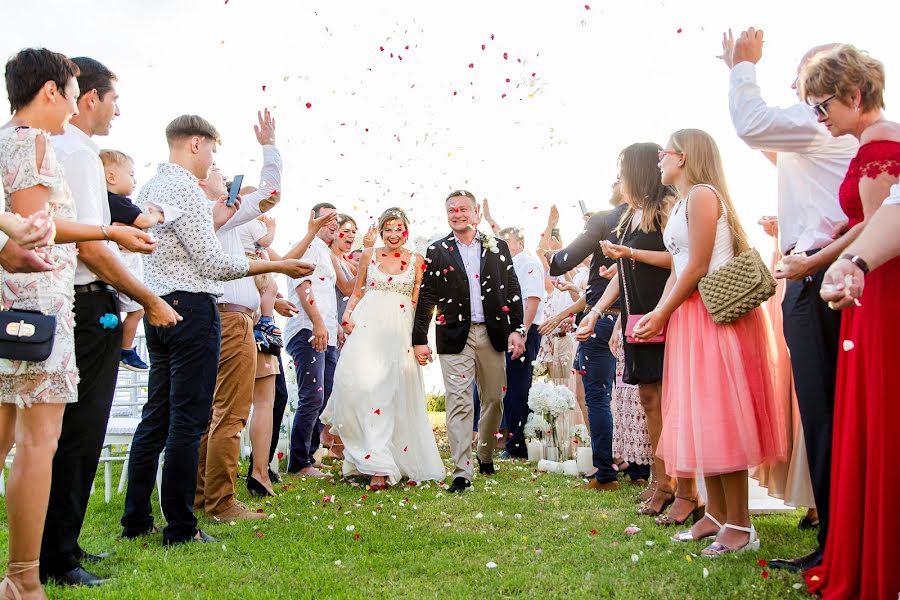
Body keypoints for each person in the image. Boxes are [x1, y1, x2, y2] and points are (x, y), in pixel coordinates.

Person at [0, 48, 159, 600]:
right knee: (38, 442)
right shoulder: (33, 140)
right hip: (38, 309)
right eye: (71, 91)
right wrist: (111, 234)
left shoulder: (8, 138)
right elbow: (33, 227)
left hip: (21, 308)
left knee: (9, 442)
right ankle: (23, 578)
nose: (75, 103)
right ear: (51, 90)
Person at [119, 113, 311, 546]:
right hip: (193, 309)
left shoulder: (150, 187)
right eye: (212, 152)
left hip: (159, 308)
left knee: (157, 417)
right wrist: (277, 264)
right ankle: (182, 527)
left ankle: (135, 520)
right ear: (195, 145)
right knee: (189, 421)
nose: (212, 161)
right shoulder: (186, 188)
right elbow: (213, 264)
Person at [720, 27, 859, 572]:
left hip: (818, 273)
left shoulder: (817, 120)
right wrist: (733, 72)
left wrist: (743, 68)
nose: (797, 89)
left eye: (803, 79)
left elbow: (751, 124)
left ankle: (838, 542)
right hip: (822, 271)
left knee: (824, 414)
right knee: (829, 415)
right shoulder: (824, 133)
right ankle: (841, 532)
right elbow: (765, 141)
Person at [42, 56, 182, 588]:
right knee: (80, 432)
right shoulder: (78, 152)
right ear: (88, 98)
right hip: (86, 302)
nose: (117, 110)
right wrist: (147, 297)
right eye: (113, 99)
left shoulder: (63, 149)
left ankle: (65, 541)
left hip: (74, 302)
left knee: (72, 432)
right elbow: (91, 247)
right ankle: (58, 557)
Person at [634, 129, 786, 555]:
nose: (659, 160)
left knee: (722, 419)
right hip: (690, 317)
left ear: (682, 157)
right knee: (704, 419)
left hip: (713, 316)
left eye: (664, 153)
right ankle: (717, 516)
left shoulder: (702, 195)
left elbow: (698, 264)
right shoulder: (681, 202)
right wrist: (659, 311)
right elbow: (678, 267)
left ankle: (740, 525)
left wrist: (664, 311)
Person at [799, 45, 900, 599]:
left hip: (879, 287)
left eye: (823, 106)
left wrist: (832, 260)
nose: (821, 119)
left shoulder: (882, 142)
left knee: (880, 409)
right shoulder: (871, 142)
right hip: (867, 282)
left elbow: (881, 224)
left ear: (854, 96)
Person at [193, 109, 299, 523]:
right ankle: (221, 503)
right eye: (217, 168)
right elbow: (271, 193)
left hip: (208, 315)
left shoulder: (212, 214)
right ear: (204, 180)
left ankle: (202, 497)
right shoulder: (216, 211)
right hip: (232, 318)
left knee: (206, 412)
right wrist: (269, 146)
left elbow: (266, 203)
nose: (221, 172)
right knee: (232, 412)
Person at [322, 207, 444, 488]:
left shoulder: (417, 261)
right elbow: (357, 291)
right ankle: (363, 453)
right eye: (387, 229)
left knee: (389, 393)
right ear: (380, 231)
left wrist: (420, 340)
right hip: (367, 327)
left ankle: (381, 465)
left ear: (406, 232)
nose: (393, 235)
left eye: (398, 229)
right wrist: (347, 315)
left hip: (399, 331)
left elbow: (419, 301)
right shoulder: (368, 255)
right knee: (357, 387)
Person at [412, 190, 525, 493]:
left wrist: (518, 329)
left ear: (475, 213)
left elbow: (512, 289)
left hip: (493, 333)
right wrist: (419, 338)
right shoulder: (437, 250)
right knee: (459, 402)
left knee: (493, 399)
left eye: (463, 209)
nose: (457, 213)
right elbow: (427, 297)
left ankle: (484, 453)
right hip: (453, 336)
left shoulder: (497, 247)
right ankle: (462, 471)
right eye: (452, 209)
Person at [582, 143, 675, 497]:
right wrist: (594, 313)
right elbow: (622, 271)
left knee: (666, 399)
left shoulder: (667, 206)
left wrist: (631, 252)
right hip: (635, 315)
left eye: (623, 172)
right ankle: (660, 482)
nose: (620, 179)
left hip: (663, 309)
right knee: (648, 398)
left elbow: (681, 259)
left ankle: (677, 484)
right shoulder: (630, 215)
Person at [538, 193, 626, 492]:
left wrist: (553, 253)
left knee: (597, 398)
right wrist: (562, 313)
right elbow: (597, 291)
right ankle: (629, 463)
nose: (616, 181)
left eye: (620, 176)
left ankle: (605, 473)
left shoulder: (605, 221)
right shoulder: (642, 220)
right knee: (619, 396)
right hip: (615, 318)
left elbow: (559, 263)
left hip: (600, 322)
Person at [481, 199, 546, 459]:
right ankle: (512, 439)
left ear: (519, 242)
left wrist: (521, 331)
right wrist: (488, 217)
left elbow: (532, 300)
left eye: (507, 241)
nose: (502, 244)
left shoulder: (529, 263)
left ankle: (518, 444)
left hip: (524, 333)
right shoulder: (508, 263)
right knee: (508, 389)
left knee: (519, 388)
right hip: (509, 333)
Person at [284, 202, 341, 477]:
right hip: (308, 330)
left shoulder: (326, 254)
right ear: (313, 220)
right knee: (312, 395)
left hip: (326, 332)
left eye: (337, 219)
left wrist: (334, 326)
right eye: (328, 218)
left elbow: (329, 295)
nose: (334, 223)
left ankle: (310, 452)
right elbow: (302, 285)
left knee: (325, 394)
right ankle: (298, 463)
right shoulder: (307, 245)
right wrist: (318, 323)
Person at [100, 149, 164, 372]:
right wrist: (156, 214)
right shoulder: (119, 202)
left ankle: (120, 347)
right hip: (124, 265)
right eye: (131, 174)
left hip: (108, 268)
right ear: (111, 177)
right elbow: (144, 222)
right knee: (138, 309)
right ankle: (125, 349)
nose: (135, 180)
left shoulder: (100, 203)